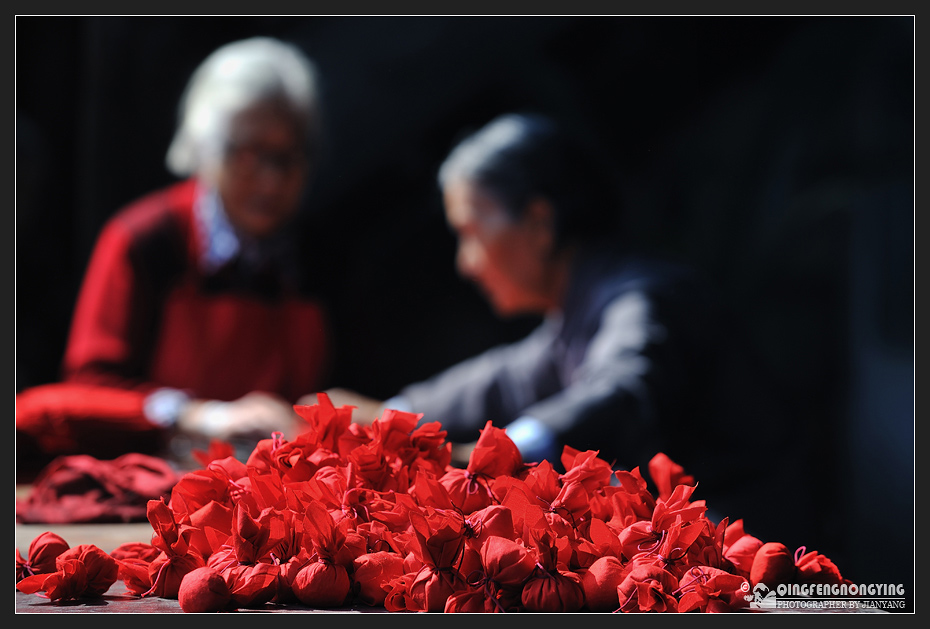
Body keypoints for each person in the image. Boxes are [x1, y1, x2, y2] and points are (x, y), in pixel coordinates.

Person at [323, 112, 723, 475]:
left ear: (538, 224)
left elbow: (620, 388)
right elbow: (498, 381)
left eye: (470, 234)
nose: (466, 264)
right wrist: (389, 419)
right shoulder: (574, 319)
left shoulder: (641, 299)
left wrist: (496, 454)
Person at [16, 37, 330, 479]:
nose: (270, 181)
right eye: (248, 155)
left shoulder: (320, 254)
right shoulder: (145, 239)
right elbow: (86, 388)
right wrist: (198, 414)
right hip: (156, 483)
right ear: (206, 148)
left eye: (287, 159)